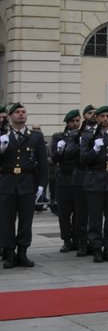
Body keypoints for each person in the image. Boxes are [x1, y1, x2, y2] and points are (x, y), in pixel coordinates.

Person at [0, 103, 49, 269]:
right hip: (7, 183)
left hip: (27, 183)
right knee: (6, 221)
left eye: (23, 112)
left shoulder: (35, 137)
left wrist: (42, 185)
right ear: (10, 116)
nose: (21, 114)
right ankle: (9, 253)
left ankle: (22, 252)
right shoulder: (3, 135)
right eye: (17, 112)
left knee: (26, 221)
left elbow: (43, 163)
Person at [78, 106, 108, 263]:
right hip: (94, 180)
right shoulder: (88, 136)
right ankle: (97, 248)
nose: (105, 119)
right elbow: (83, 160)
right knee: (95, 218)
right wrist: (94, 149)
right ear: (97, 118)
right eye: (102, 116)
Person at [51, 109, 84, 255]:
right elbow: (54, 158)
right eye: (72, 121)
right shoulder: (58, 137)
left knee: (79, 211)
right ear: (67, 122)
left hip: (78, 178)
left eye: (77, 121)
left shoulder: (84, 136)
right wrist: (59, 151)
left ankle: (78, 239)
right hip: (64, 178)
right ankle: (66, 240)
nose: (75, 124)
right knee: (64, 212)